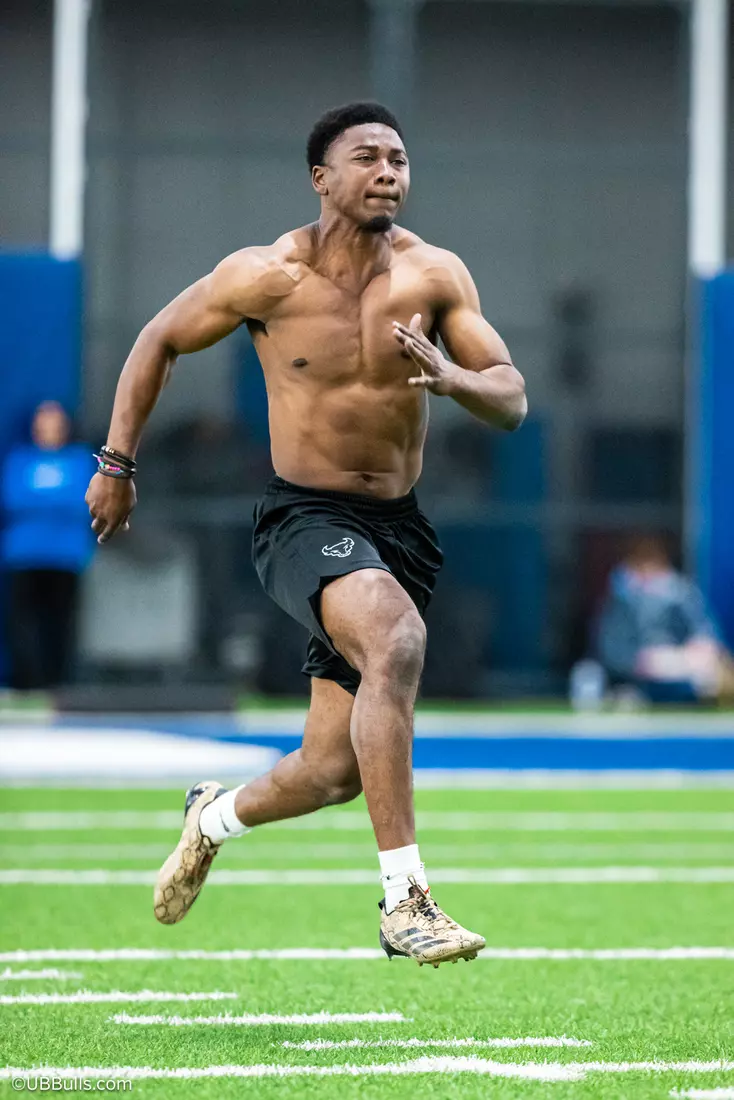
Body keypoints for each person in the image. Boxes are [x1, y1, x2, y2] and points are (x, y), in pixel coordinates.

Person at [85, 102, 527, 966]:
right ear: (321, 177)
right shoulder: (266, 276)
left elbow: (511, 396)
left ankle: (209, 817)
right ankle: (407, 902)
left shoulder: (435, 276)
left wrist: (452, 378)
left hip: (398, 529)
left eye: (400, 158)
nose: (390, 171)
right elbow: (157, 339)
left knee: (330, 771)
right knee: (396, 639)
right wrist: (116, 463)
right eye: (368, 157)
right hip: (304, 518)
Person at [2, 401, 94, 690]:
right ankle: (28, 681)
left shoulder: (79, 461)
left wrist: (41, 500)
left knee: (61, 622)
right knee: (23, 623)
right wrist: (53, 501)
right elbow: (12, 500)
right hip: (25, 555)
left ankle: (58, 682)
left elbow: (84, 502)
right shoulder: (19, 460)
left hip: (66, 556)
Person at [595, 535, 734, 704]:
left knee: (706, 676)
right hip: (635, 676)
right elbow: (611, 650)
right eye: (641, 564)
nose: (648, 572)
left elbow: (706, 633)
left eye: (652, 563)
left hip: (682, 667)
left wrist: (699, 650)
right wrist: (640, 662)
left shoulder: (682, 593)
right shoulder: (621, 599)